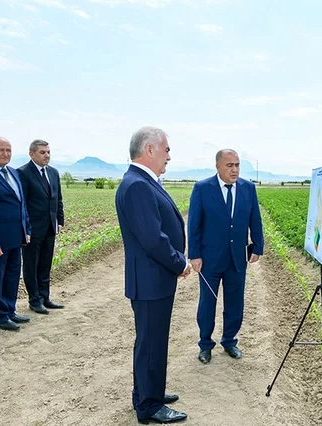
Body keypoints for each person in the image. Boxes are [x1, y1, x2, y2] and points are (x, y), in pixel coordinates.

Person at [115, 127, 190, 425]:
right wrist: (179, 263)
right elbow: (153, 238)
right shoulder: (137, 185)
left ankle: (148, 392)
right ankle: (148, 406)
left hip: (152, 279)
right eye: (166, 150)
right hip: (150, 281)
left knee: (151, 341)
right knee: (151, 343)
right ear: (149, 149)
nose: (169, 156)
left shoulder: (141, 181)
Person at [188, 148, 264, 364]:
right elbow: (194, 223)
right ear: (218, 166)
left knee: (235, 302)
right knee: (207, 303)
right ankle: (205, 344)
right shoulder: (203, 188)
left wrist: (257, 246)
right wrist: (194, 255)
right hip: (209, 259)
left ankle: (229, 341)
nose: (235, 169)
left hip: (236, 258)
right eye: (230, 165)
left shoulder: (248, 188)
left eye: (237, 165)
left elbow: (254, 219)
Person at [0, 137, 31, 331]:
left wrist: (26, 229)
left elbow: (22, 205)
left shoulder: (13, 173)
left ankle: (10, 311)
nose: (6, 154)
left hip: (16, 237)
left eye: (9, 150)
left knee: (12, 276)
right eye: (1, 150)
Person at [17, 139, 65, 314]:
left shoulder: (53, 172)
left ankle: (45, 297)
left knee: (45, 264)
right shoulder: (23, 173)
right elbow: (21, 204)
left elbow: (57, 199)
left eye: (48, 152)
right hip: (32, 230)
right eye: (43, 152)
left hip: (50, 227)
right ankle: (34, 300)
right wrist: (25, 229)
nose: (47, 155)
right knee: (31, 265)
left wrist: (60, 220)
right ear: (32, 154)